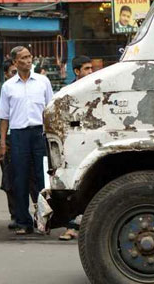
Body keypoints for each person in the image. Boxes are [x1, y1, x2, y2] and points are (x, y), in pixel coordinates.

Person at [0, 46, 53, 235]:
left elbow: (50, 111)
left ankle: (44, 219)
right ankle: (23, 221)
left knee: (42, 177)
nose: (28, 61)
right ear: (15, 62)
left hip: (39, 133)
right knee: (19, 178)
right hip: (19, 134)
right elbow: (4, 117)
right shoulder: (8, 87)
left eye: (29, 57)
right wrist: (3, 142)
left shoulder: (43, 82)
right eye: (23, 58)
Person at [58, 55, 94, 241]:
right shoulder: (68, 92)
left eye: (91, 68)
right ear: (77, 71)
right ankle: (70, 227)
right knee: (72, 187)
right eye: (86, 69)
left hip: (94, 143)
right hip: (74, 143)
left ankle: (90, 226)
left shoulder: (98, 88)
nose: (90, 72)